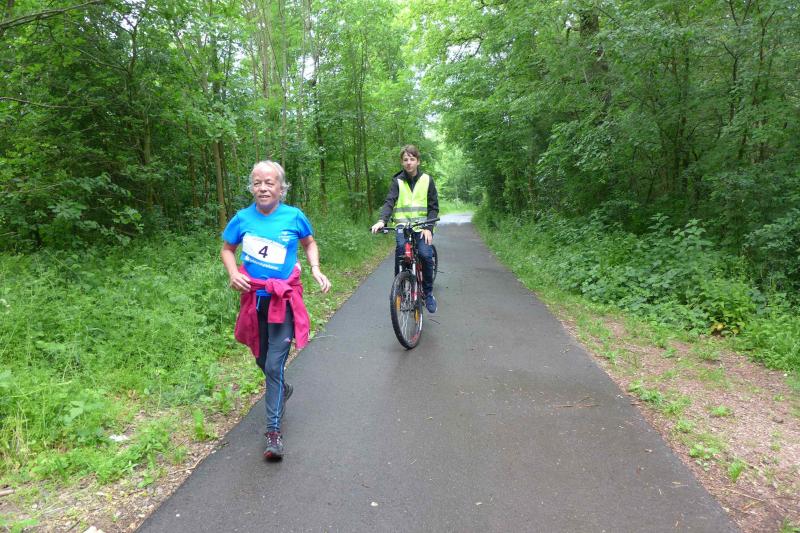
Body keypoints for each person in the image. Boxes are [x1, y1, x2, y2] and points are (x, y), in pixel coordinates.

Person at [221, 160, 331, 461]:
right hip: (254, 300)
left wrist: (315, 268)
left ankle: (273, 432)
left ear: (281, 188)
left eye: (269, 183)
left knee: (273, 366)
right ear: (251, 188)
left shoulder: (294, 216)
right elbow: (227, 249)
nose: (263, 188)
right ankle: (283, 387)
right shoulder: (242, 219)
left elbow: (309, 243)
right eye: (257, 183)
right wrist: (233, 273)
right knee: (261, 358)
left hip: (283, 301)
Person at [371, 144, 439, 313]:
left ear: (418, 161)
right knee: (401, 252)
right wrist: (382, 220)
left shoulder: (427, 180)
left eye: (412, 159)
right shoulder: (397, 181)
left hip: (422, 227)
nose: (409, 162)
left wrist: (428, 227)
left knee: (425, 255)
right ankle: (400, 290)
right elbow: (390, 201)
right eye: (405, 159)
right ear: (402, 162)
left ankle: (428, 293)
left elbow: (433, 207)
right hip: (403, 226)